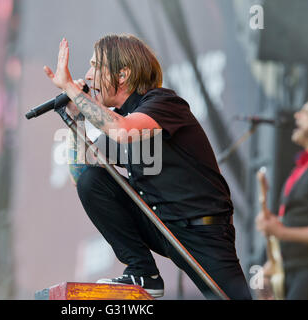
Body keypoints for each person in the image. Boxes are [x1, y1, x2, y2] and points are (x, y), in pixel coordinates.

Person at [43, 34, 251, 300]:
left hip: (201, 229)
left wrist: (71, 88)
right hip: (160, 224)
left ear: (122, 75)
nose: (89, 75)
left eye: (95, 66)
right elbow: (81, 175)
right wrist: (75, 119)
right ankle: (143, 272)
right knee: (92, 180)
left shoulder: (162, 103)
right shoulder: (126, 121)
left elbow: (122, 130)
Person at [256, 86, 308, 299]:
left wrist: (282, 232)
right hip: (296, 272)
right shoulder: (303, 169)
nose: (297, 115)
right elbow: (291, 223)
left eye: (306, 112)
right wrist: (270, 268)